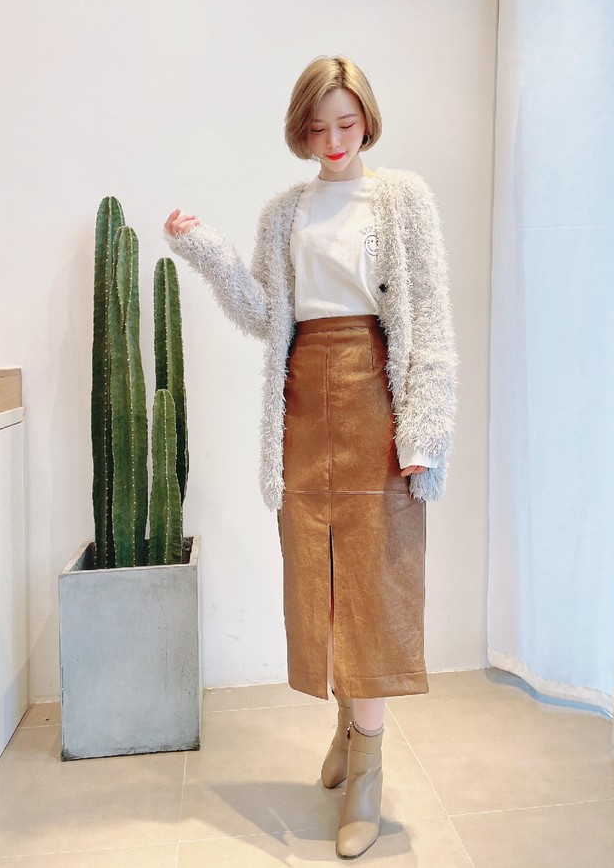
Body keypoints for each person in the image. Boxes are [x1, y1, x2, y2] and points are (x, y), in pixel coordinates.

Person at [163, 55, 457, 860]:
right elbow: (267, 312)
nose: (333, 139)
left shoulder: (403, 198)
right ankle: (345, 725)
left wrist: (424, 434)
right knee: (320, 584)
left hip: (377, 402)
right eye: (319, 126)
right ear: (301, 129)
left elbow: (430, 319)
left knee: (374, 585)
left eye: (347, 122)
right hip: (302, 405)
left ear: (367, 119)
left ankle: (368, 770)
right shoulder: (284, 212)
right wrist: (206, 250)